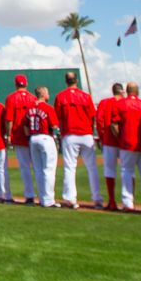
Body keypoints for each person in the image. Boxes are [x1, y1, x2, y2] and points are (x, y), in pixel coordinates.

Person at [55, 71, 100, 208]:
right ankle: (97, 198)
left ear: (66, 81)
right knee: (92, 167)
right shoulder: (85, 96)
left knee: (70, 167)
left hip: (70, 134)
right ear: (76, 81)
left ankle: (71, 199)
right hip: (86, 134)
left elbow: (58, 118)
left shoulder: (60, 96)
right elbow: (93, 116)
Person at [114, 83, 141, 213]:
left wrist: (120, 137)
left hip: (127, 142)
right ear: (138, 92)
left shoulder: (120, 104)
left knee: (126, 171)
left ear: (127, 91)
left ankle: (128, 203)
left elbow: (114, 124)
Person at [23, 86, 60, 208]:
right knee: (48, 170)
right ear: (43, 94)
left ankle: (42, 198)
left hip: (33, 138)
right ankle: (49, 200)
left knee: (38, 170)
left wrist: (30, 137)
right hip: (45, 137)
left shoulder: (30, 108)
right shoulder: (48, 107)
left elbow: (25, 126)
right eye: (47, 92)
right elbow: (54, 125)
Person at [3, 75, 37, 204]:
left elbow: (9, 120)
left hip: (18, 135)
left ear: (16, 84)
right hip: (33, 135)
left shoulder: (11, 98)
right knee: (38, 168)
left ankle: (29, 195)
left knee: (25, 167)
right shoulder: (33, 98)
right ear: (26, 84)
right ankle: (45, 196)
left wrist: (8, 134)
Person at [95, 83, 125, 211]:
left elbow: (99, 120)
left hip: (109, 141)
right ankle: (129, 202)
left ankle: (112, 201)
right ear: (122, 91)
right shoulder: (125, 102)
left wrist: (102, 137)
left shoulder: (104, 102)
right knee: (127, 171)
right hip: (124, 142)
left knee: (109, 170)